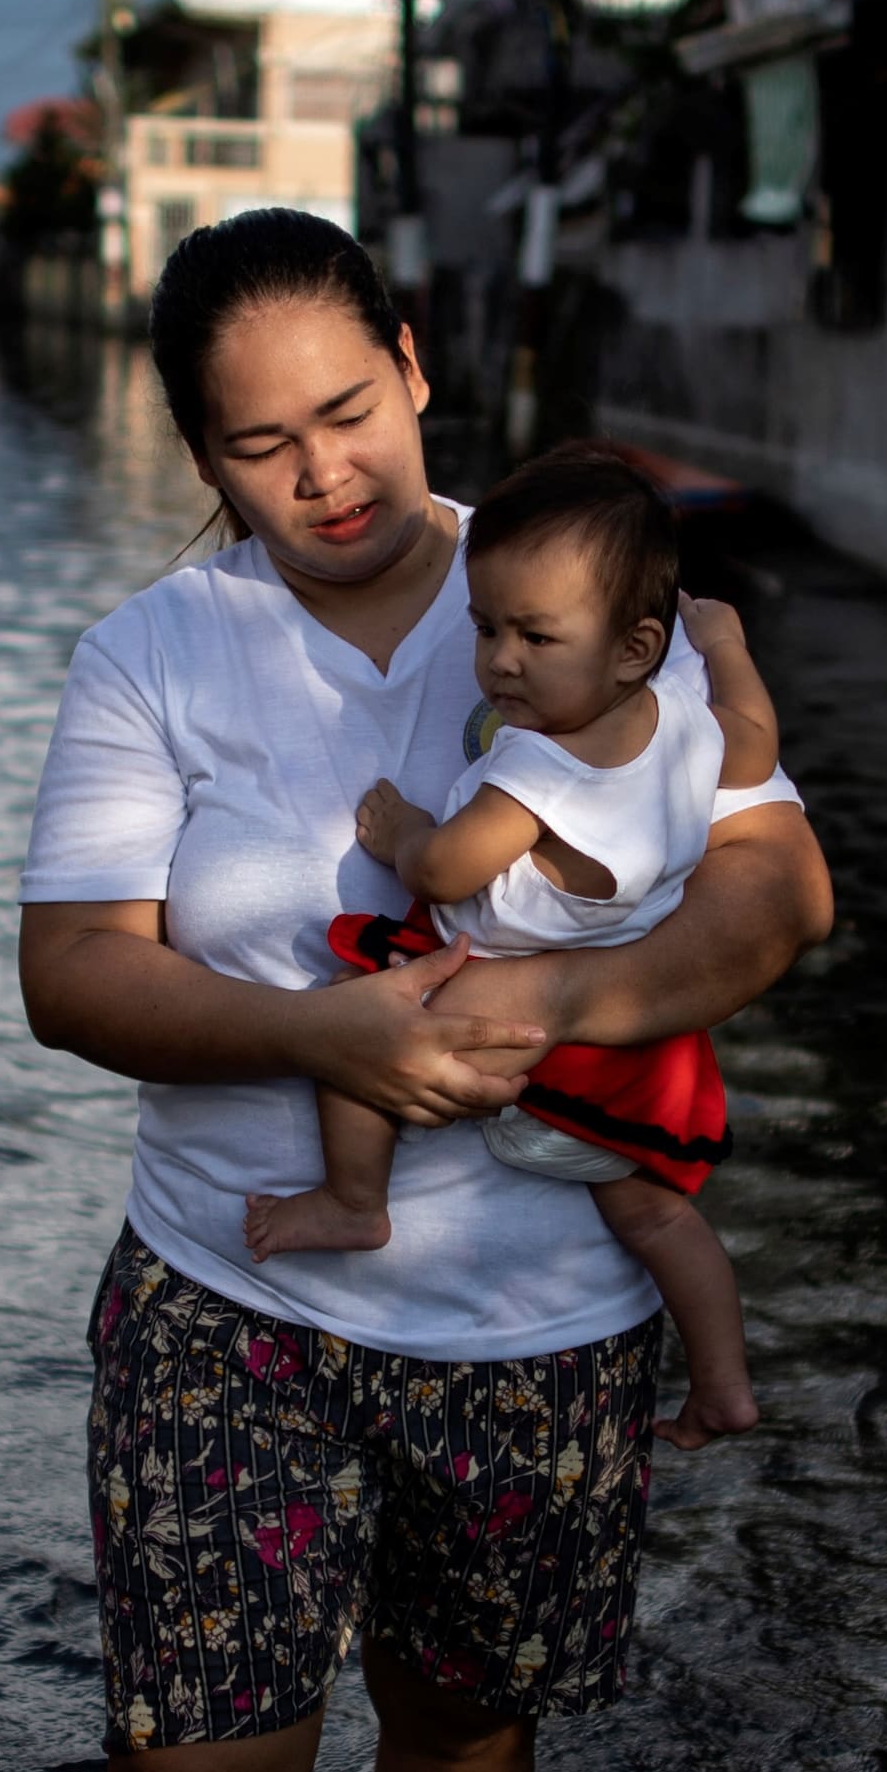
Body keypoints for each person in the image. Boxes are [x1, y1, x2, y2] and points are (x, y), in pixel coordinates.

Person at [15, 209, 836, 1772]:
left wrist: (538, 1006)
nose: (322, 475)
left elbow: (780, 892)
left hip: (537, 1316)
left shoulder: (586, 581)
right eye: (257, 445)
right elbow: (72, 974)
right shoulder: (155, 652)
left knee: (464, 1734)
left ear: (413, 361)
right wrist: (331, 1037)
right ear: (201, 459)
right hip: (236, 1294)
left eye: (350, 409)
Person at [241, 449, 775, 1451]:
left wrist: (396, 828)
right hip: (633, 1052)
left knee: (354, 1019)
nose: (500, 662)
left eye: (535, 636)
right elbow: (754, 736)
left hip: (515, 1020)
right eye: (486, 629)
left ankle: (353, 1200)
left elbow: (444, 870)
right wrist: (728, 640)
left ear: (630, 647)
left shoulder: (537, 768)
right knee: (658, 1221)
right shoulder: (686, 725)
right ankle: (725, 1383)